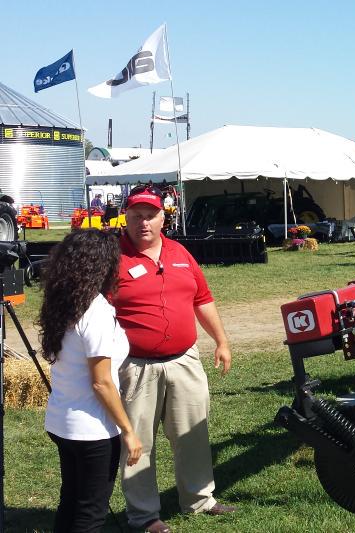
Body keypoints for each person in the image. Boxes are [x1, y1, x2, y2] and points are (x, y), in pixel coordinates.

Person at [114, 185, 236, 533]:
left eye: (150, 215)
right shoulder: (113, 257)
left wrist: (222, 341)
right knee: (138, 442)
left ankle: (199, 499)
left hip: (184, 361)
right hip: (136, 368)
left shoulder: (180, 252)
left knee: (193, 434)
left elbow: (203, 298)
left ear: (163, 218)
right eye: (136, 216)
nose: (143, 223)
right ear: (126, 217)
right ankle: (143, 515)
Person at [40, 230, 144, 533]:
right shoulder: (95, 310)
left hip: (62, 421)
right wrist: (128, 431)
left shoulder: (62, 301)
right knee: (90, 513)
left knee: (71, 500)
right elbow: (101, 383)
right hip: (91, 430)